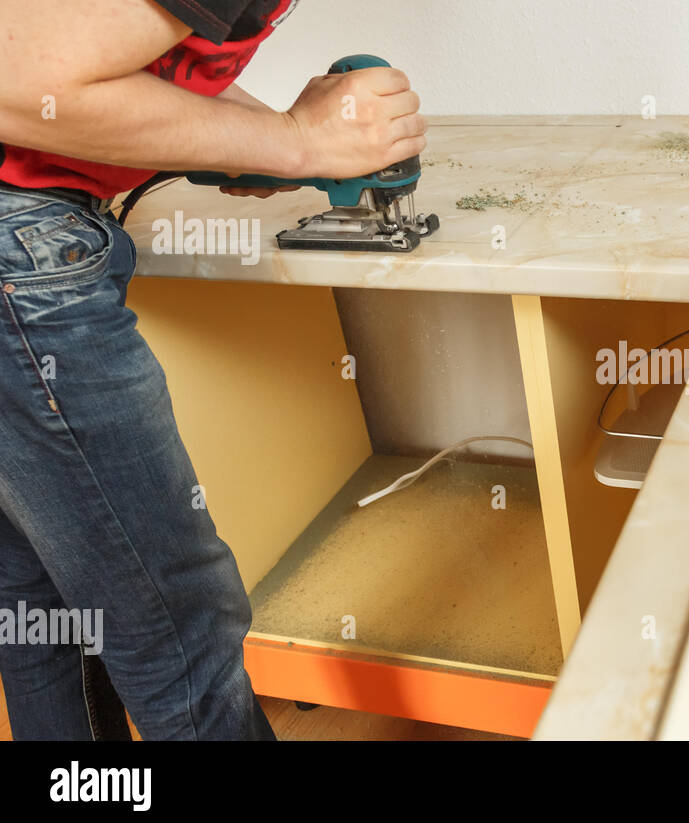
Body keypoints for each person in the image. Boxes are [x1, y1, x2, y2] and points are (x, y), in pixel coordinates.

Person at [0, 0, 426, 740]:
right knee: (180, 629)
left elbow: (89, 55)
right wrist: (294, 141)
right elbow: (21, 81)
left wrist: (258, 141)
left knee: (47, 612)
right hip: (21, 255)